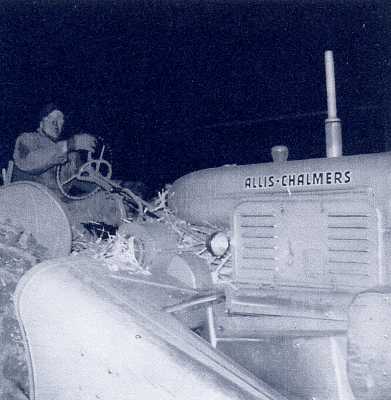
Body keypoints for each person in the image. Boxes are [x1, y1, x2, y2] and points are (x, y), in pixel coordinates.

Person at [13, 103, 96, 194]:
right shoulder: (27, 139)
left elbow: (85, 180)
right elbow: (28, 162)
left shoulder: (71, 156)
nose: (55, 123)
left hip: (59, 204)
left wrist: (104, 183)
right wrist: (69, 144)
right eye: (50, 117)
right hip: (29, 200)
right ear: (41, 123)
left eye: (60, 119)